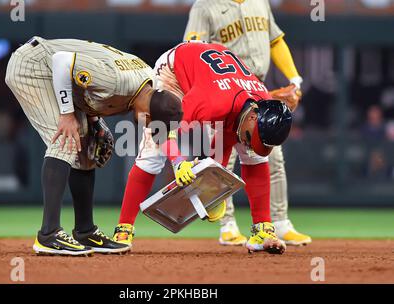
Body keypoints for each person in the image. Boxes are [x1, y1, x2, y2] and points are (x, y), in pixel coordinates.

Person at [5, 36, 183, 256]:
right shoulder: (116, 81)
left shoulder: (148, 85)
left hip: (55, 72)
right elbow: (62, 62)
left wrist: (94, 119)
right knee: (66, 139)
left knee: (87, 149)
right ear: (148, 114)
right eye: (151, 124)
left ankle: (85, 230)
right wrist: (67, 114)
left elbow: (87, 89)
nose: (148, 127)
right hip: (34, 66)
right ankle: (48, 234)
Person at [113, 41, 292, 254]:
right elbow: (161, 126)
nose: (247, 143)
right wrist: (179, 162)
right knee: (152, 154)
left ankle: (263, 231)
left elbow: (228, 137)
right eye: (248, 137)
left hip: (217, 75)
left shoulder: (261, 101)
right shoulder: (211, 102)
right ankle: (123, 229)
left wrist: (212, 188)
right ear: (253, 117)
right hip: (175, 71)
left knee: (254, 157)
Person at [183, 0, 311, 246]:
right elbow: (192, 49)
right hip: (224, 92)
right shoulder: (205, 6)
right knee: (222, 162)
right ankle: (227, 225)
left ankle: (281, 223)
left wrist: (295, 79)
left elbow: (275, 40)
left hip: (258, 90)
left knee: (272, 159)